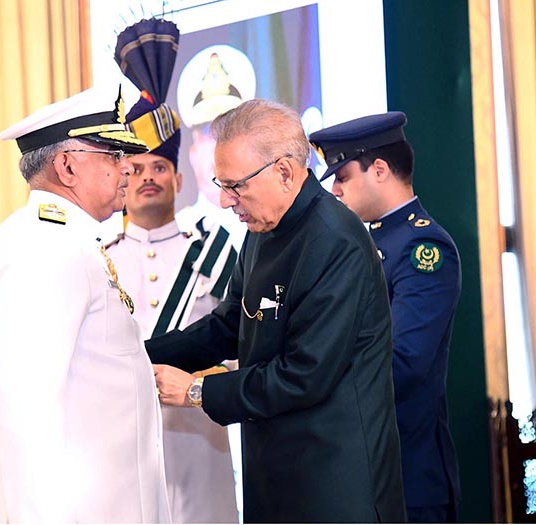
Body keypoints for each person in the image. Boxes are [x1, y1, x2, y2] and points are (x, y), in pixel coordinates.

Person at [150, 98, 406, 523]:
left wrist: (195, 391)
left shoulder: (335, 240)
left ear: (285, 172)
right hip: (275, 476)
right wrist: (139, 354)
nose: (226, 199)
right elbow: (230, 325)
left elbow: (304, 375)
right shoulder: (263, 225)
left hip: (335, 487)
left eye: (235, 185)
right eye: (221, 183)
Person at [0, 87, 170, 523]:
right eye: (112, 153)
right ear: (67, 165)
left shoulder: (66, 238)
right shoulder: (45, 244)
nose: (127, 166)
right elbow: (27, 413)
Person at [108, 19, 238, 523]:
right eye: (135, 169)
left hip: (198, 435)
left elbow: (238, 339)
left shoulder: (217, 248)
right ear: (122, 181)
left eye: (158, 167)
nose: (147, 177)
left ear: (179, 177)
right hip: (123, 435)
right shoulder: (99, 255)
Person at [309, 112, 461, 523]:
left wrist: (308, 386)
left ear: (379, 170)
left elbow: (404, 364)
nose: (335, 190)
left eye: (342, 177)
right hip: (354, 473)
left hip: (407, 475)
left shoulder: (423, 247)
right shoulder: (358, 243)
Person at [175, 45, 256, 250]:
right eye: (207, 133)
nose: (217, 146)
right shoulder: (179, 232)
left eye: (227, 131)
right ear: (193, 154)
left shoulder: (267, 221)